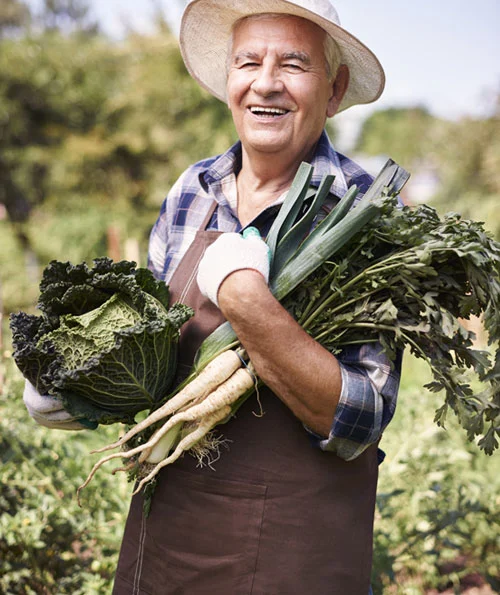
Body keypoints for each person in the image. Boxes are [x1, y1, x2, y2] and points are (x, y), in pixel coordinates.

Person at [23, 1, 402, 593]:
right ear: (229, 79)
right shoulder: (191, 190)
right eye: (248, 62)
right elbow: (154, 348)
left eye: (293, 64)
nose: (266, 83)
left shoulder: (367, 214)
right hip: (167, 537)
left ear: (334, 89)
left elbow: (360, 417)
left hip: (294, 556)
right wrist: (83, 389)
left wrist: (248, 304)